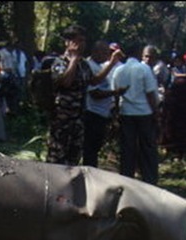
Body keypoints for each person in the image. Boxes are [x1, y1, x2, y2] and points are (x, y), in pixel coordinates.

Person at [46, 24, 123, 166]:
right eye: (77, 41)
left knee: (74, 158)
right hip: (62, 119)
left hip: (79, 119)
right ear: (67, 42)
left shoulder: (84, 65)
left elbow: (94, 81)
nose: (81, 44)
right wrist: (73, 59)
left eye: (83, 41)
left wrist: (111, 63)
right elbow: (66, 83)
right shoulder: (59, 62)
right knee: (57, 159)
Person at [111, 42, 159, 185]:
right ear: (139, 53)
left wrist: (117, 113)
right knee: (147, 147)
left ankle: (126, 178)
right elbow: (150, 93)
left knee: (128, 147)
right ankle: (149, 179)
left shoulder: (119, 70)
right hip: (144, 112)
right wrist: (155, 112)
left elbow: (116, 94)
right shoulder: (144, 69)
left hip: (126, 112)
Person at [82, 40, 126, 168]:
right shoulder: (90, 66)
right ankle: (89, 172)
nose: (108, 56)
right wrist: (115, 92)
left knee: (95, 147)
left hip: (101, 113)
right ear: (96, 52)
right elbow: (94, 93)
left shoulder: (99, 66)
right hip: (92, 112)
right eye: (106, 53)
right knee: (90, 149)